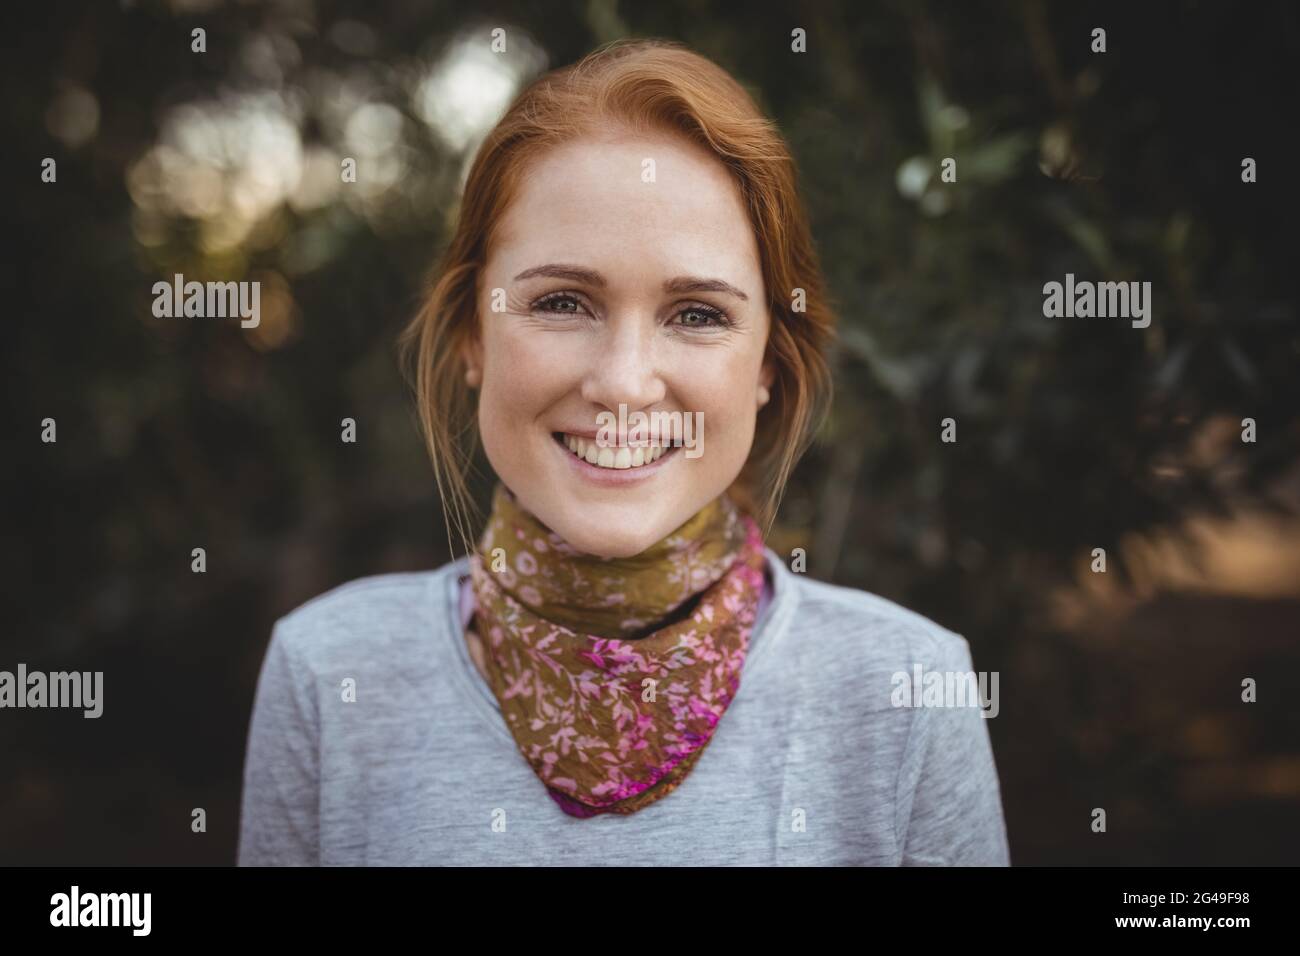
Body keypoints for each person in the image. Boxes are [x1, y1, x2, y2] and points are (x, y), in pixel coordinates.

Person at [237, 38, 1010, 865]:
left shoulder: (908, 690)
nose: (624, 384)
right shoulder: (329, 676)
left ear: (767, 367)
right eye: (564, 302)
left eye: (698, 314)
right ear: (472, 337)